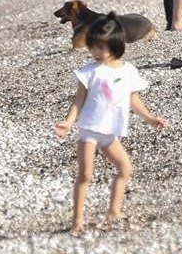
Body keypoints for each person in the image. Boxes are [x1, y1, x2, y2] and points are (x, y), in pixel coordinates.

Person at [53, 13, 167, 234]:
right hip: (89, 131)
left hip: (110, 133)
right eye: (92, 47)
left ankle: (114, 210)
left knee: (125, 169)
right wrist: (68, 122)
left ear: (116, 45)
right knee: (85, 175)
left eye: (100, 47)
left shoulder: (128, 71)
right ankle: (77, 220)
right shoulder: (89, 72)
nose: (95, 52)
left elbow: (134, 100)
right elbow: (79, 100)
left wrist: (151, 119)